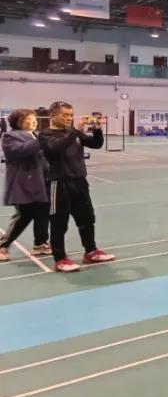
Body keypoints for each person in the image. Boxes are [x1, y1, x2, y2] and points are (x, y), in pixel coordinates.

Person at [38, 102, 114, 272]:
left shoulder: (73, 133)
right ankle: (60, 259)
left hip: (79, 182)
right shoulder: (45, 135)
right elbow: (56, 149)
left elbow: (96, 144)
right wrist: (75, 130)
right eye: (65, 115)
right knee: (59, 223)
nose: (69, 118)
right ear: (52, 115)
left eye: (71, 115)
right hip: (59, 183)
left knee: (87, 218)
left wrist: (96, 129)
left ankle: (91, 252)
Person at [1, 109, 50, 261]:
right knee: (24, 214)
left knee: (43, 212)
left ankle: (40, 244)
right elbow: (20, 150)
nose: (33, 121)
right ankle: (3, 245)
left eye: (34, 118)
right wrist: (41, 140)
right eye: (29, 119)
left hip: (42, 181)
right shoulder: (10, 137)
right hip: (22, 183)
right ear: (18, 122)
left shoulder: (35, 135)